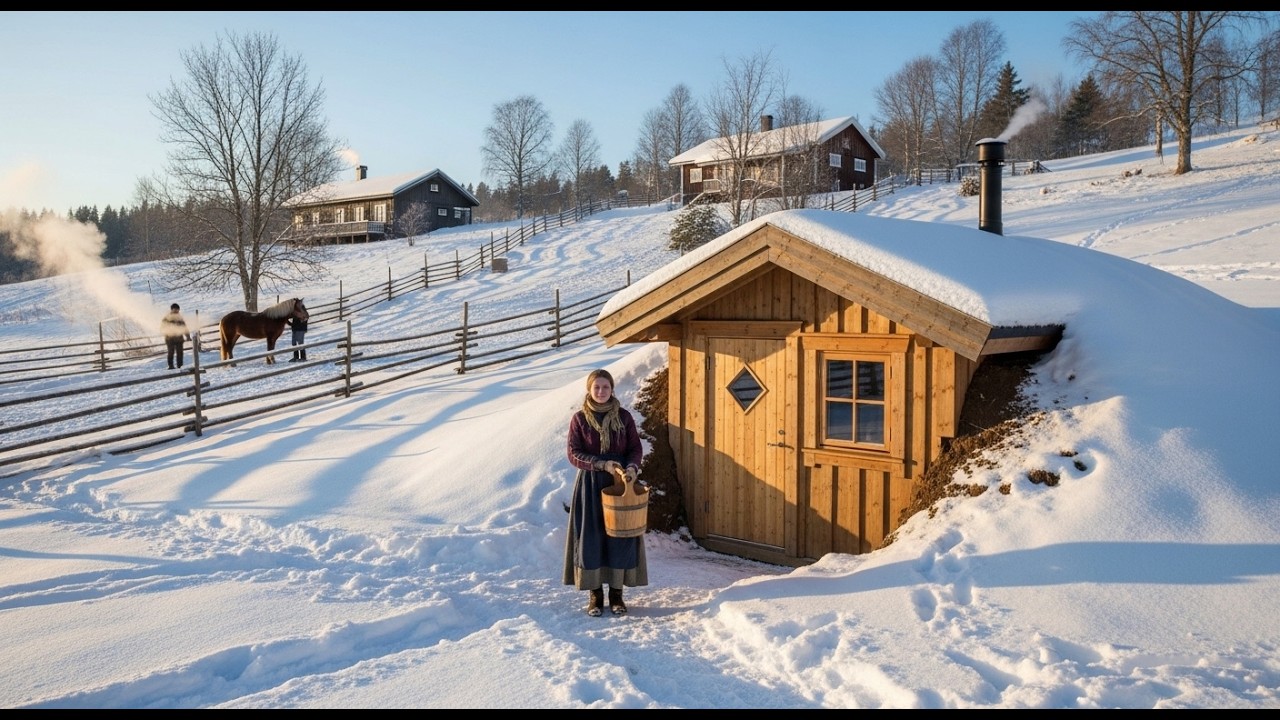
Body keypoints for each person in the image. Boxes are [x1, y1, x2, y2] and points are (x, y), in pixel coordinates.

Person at [563, 368, 647, 616]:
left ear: (612, 389)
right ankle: (596, 595)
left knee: (619, 537)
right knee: (592, 538)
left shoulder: (624, 417)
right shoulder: (580, 419)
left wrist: (631, 468)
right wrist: (600, 464)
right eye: (597, 387)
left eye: (606, 387)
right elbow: (574, 453)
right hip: (590, 484)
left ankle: (617, 595)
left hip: (620, 484)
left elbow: (635, 448)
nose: (601, 391)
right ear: (589, 390)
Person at [160, 303, 191, 370]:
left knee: (180, 353)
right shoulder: (167, 318)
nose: (177, 311)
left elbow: (184, 327)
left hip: (179, 338)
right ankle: (171, 366)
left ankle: (180, 366)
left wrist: (188, 336)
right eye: (175, 310)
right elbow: (162, 328)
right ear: (172, 310)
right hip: (170, 339)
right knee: (170, 352)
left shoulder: (180, 318)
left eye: (178, 310)